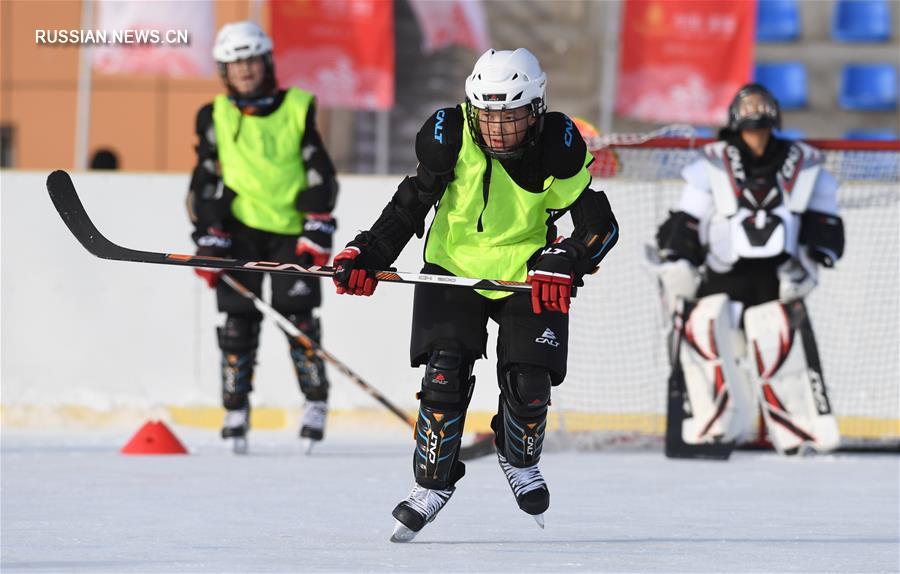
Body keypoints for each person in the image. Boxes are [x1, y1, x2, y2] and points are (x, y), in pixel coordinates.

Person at [331, 48, 618, 541]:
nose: (497, 131)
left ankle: (516, 453)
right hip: (452, 270)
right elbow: (407, 207)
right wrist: (367, 253)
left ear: (537, 110)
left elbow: (600, 227)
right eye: (488, 117)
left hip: (525, 275)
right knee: (444, 377)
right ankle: (433, 485)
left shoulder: (557, 148)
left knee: (530, 386)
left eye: (510, 118)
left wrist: (565, 260)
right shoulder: (449, 138)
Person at [655, 83, 844, 455]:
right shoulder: (711, 163)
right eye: (748, 104)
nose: (755, 111)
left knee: (782, 351)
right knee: (704, 341)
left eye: (761, 104)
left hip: (777, 279)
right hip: (721, 276)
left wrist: (809, 264)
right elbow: (686, 221)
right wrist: (679, 262)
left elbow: (825, 226)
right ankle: (710, 432)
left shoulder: (803, 162)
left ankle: (800, 434)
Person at [186, 21, 339, 453]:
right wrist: (208, 232)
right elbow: (205, 179)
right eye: (235, 64)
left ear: (266, 62)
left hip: (290, 230)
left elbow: (318, 168)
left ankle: (315, 403)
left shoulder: (297, 106)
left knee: (300, 320)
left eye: (251, 60)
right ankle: (235, 409)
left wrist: (318, 221)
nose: (245, 71)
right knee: (237, 324)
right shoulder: (213, 115)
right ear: (224, 71)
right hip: (239, 232)